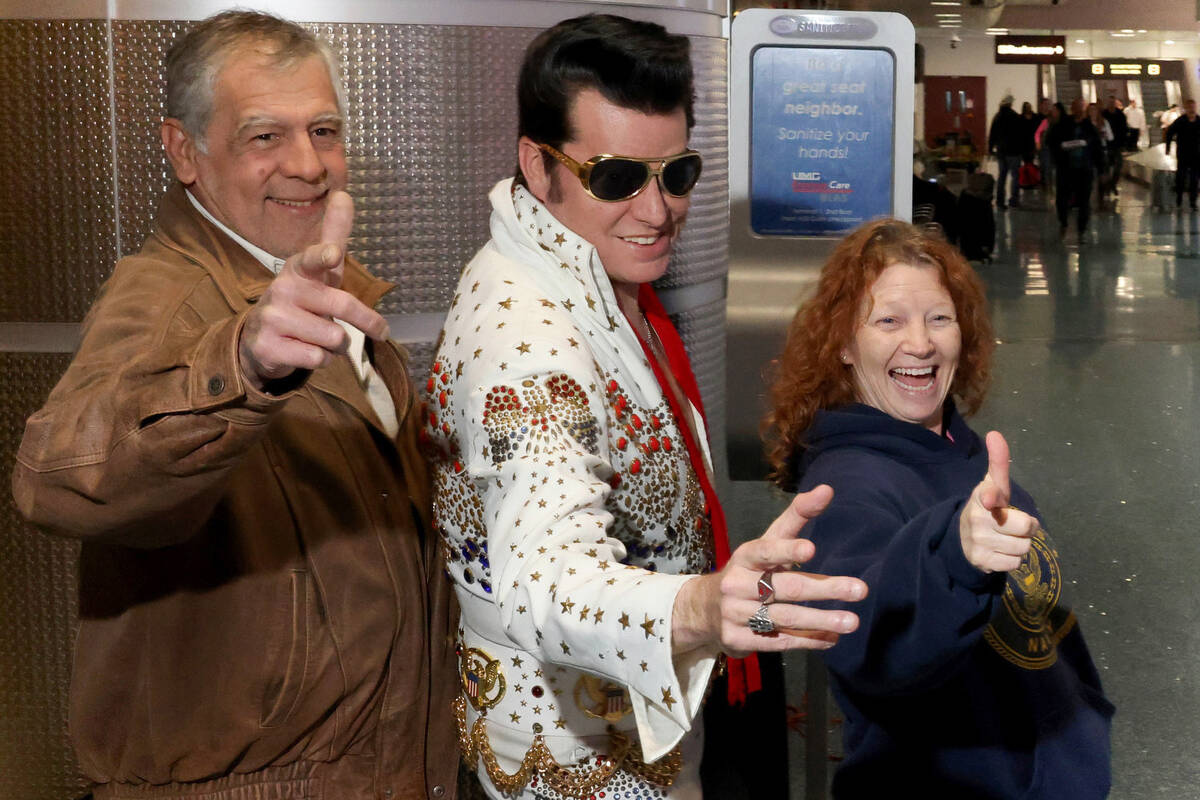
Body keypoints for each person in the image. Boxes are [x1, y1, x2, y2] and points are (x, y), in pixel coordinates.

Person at [11, 11, 458, 799]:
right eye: (264, 137)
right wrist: (241, 363)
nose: (309, 165)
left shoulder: (318, 286)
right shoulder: (166, 297)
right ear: (184, 152)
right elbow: (53, 480)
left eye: (324, 130)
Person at [424, 14, 866, 799]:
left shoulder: (591, 272)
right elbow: (546, 578)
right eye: (618, 177)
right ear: (538, 164)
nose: (657, 210)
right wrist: (702, 605)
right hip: (578, 760)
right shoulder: (529, 339)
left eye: (679, 172)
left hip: (641, 723)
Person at [763, 218, 1114, 798]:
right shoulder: (846, 486)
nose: (921, 343)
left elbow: (1035, 627)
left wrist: (1080, 722)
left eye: (939, 318)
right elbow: (871, 642)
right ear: (844, 345)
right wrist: (954, 557)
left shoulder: (962, 451)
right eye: (888, 321)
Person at [1046, 98, 1105, 239]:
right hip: (1066, 168)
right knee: (1063, 197)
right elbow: (1051, 142)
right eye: (1077, 108)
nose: (1079, 111)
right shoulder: (1063, 125)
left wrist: (1101, 168)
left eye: (1081, 108)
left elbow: (1097, 148)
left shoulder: (1088, 127)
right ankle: (1064, 222)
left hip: (1084, 169)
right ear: (1072, 109)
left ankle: (1082, 229)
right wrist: (1060, 150)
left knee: (1084, 199)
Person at [988, 95, 1024, 209]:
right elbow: (1021, 135)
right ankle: (1014, 200)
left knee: (1002, 177)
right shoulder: (1015, 116)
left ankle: (999, 201)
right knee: (1015, 176)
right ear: (1011, 104)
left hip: (1001, 151)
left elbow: (992, 134)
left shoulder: (997, 117)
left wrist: (990, 148)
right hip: (1014, 151)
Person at [1165, 99, 1200, 211]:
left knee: (1194, 179)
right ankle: (1179, 198)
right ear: (1186, 108)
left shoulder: (1199, 121)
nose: (1192, 109)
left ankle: (1193, 201)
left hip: (1196, 155)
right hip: (1183, 154)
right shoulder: (1180, 121)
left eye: (1193, 107)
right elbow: (1170, 132)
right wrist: (1168, 147)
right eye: (1189, 107)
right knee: (1181, 177)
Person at [1101, 96, 1127, 196]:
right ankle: (1108, 186)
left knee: (1118, 166)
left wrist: (1123, 143)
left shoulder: (1120, 115)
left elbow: (1124, 129)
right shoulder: (1104, 114)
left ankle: (1113, 184)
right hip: (1107, 144)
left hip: (1117, 145)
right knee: (1107, 167)